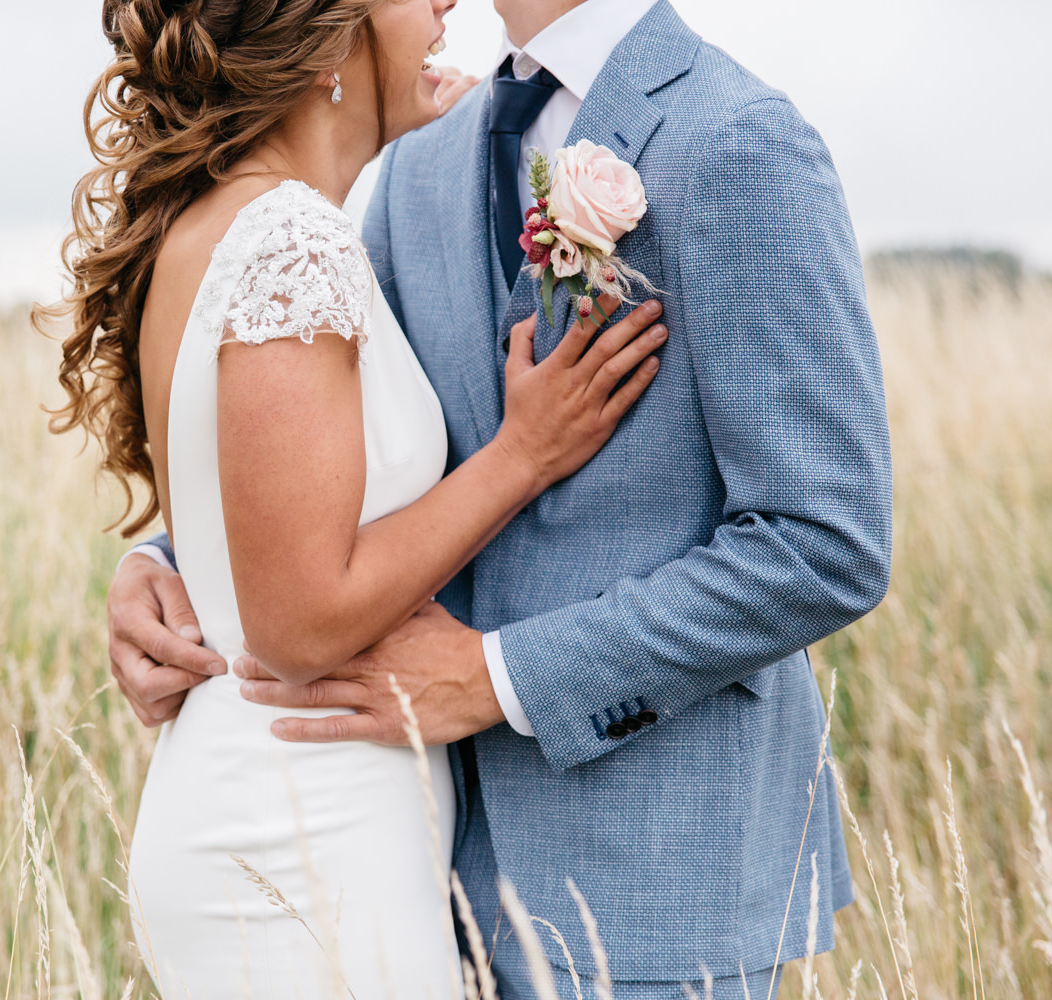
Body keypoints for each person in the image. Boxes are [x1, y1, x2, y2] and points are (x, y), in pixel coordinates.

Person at [110, 0, 895, 996]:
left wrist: (502, 678)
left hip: (648, 902)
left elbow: (823, 542)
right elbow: (342, 445)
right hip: (414, 879)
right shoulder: (422, 154)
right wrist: (171, 566)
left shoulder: (738, 140)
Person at [42, 0, 669, 995]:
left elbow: (246, 504)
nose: (446, 7)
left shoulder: (222, 218)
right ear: (332, 33)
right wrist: (522, 456)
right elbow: (299, 620)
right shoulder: (291, 236)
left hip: (278, 800)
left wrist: (151, 560)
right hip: (303, 821)